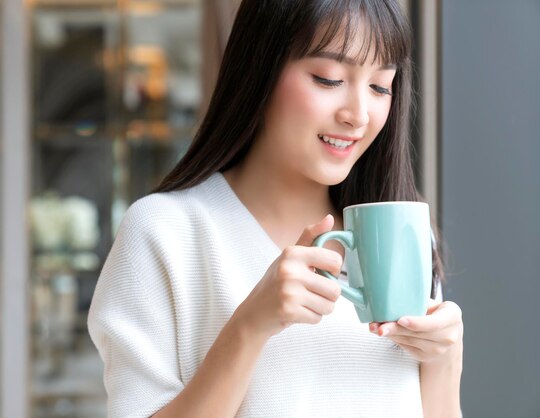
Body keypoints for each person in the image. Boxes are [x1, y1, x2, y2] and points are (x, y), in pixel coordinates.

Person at [88, 0, 464, 417]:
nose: (358, 115)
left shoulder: (401, 236)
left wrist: (445, 359)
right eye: (328, 78)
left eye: (380, 87)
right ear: (260, 70)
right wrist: (251, 325)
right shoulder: (166, 232)